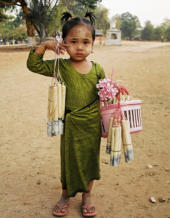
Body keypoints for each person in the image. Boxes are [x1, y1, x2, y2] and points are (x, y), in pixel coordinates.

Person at [27, 11, 105, 217]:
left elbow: (105, 99)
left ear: (93, 44)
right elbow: (33, 65)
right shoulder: (60, 66)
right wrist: (45, 46)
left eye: (86, 42)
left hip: (92, 125)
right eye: (74, 41)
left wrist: (115, 97)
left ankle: (87, 195)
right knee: (69, 160)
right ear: (64, 42)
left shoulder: (98, 69)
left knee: (90, 159)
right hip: (70, 125)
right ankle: (65, 195)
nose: (80, 47)